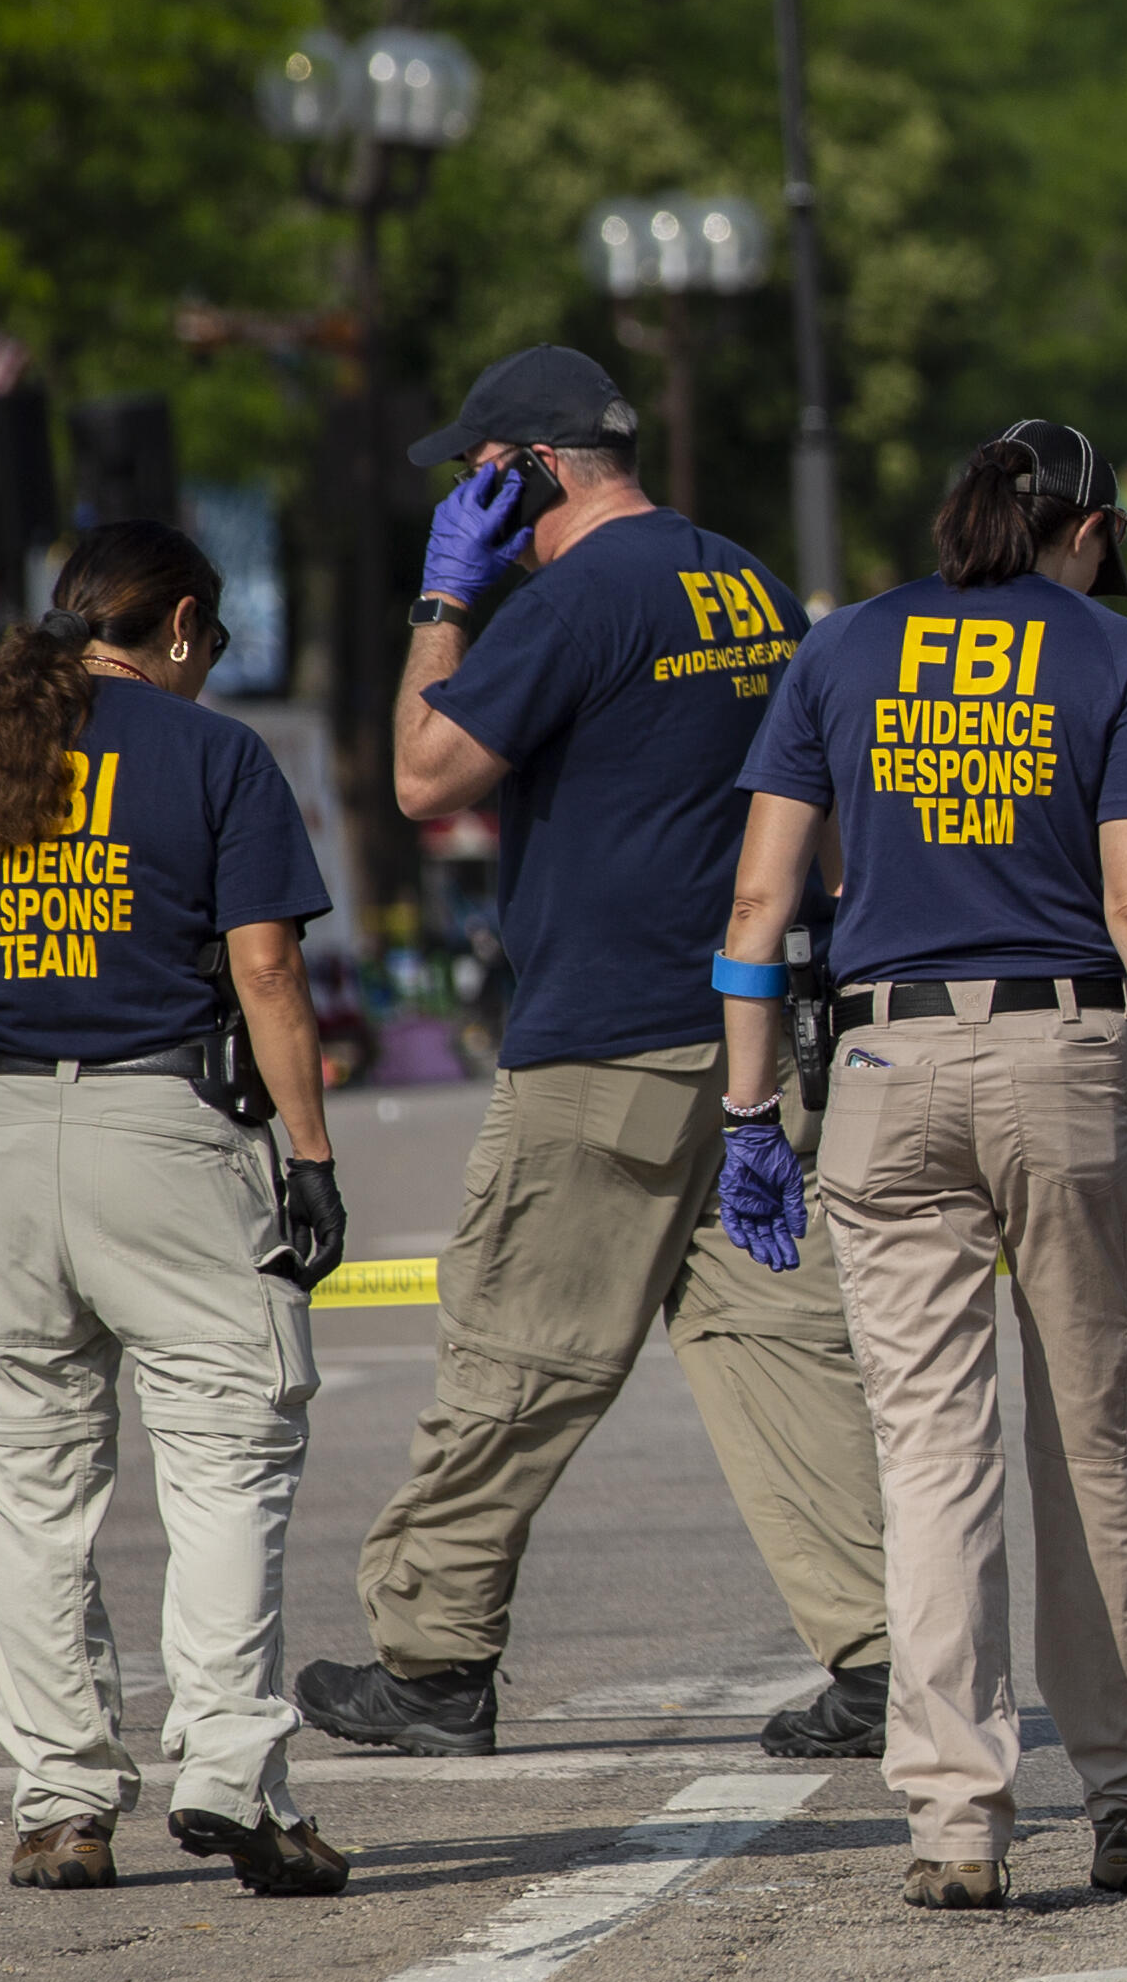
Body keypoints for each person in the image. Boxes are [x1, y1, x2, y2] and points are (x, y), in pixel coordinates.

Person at [295, 346, 892, 1765]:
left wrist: (445, 602)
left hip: (607, 1042)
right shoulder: (742, 580)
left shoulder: (572, 600)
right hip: (751, 1036)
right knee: (784, 1358)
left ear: (531, 471)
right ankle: (886, 1655)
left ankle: (433, 1661)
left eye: (475, 474)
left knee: (518, 1350)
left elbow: (425, 774)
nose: (465, 497)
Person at [711, 420, 1127, 1911]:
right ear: (1086, 530)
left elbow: (759, 904)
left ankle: (955, 1819)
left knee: (929, 1455)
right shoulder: (1115, 658)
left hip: (881, 1070)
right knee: (1088, 1439)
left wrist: (750, 1116)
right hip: (1063, 1059)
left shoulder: (839, 653)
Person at [0, 523, 356, 1894]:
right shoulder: (215, 756)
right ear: (181, 624)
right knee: (228, 1454)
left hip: (2, 1140)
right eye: (214, 641)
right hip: (172, 1135)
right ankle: (232, 1773)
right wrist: (310, 1158)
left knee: (25, 1487)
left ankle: (63, 1802)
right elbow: (265, 971)